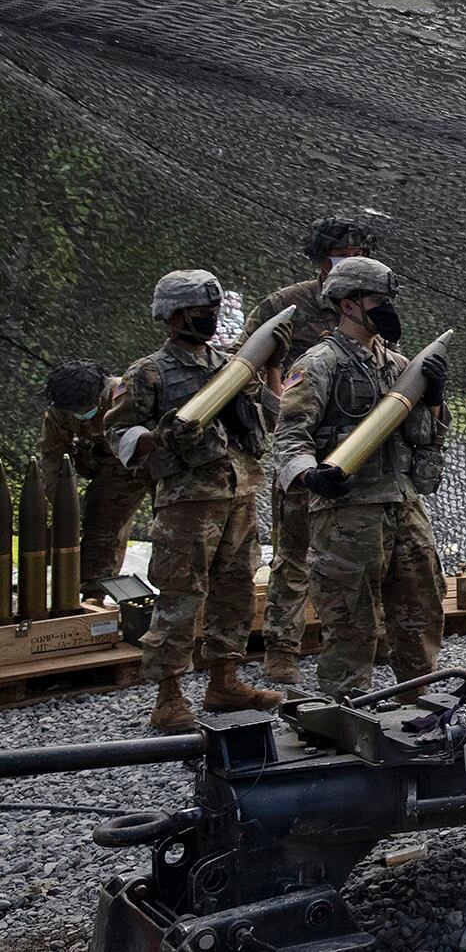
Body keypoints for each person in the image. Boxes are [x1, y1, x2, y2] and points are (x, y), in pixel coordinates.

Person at [106, 270, 289, 733]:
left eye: (212, 312)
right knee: (181, 597)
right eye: (199, 313)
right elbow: (118, 433)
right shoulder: (147, 373)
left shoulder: (231, 365)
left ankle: (223, 681)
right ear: (174, 317)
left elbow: (276, 411)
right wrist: (161, 436)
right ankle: (168, 697)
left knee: (236, 589)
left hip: (239, 493)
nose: (208, 320)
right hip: (187, 503)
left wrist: (271, 367)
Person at [270, 256, 448, 701]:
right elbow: (290, 436)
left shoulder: (399, 365)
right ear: (348, 304)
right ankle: (344, 715)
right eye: (378, 300)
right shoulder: (318, 364)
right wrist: (311, 476)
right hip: (348, 516)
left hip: (404, 508)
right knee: (350, 622)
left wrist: (436, 401)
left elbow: (425, 435)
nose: (387, 308)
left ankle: (420, 705)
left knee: (419, 613)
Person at [243, 217, 376, 684]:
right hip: (301, 443)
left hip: (353, 450)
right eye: (342, 251)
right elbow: (250, 366)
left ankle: (354, 643)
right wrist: (280, 405)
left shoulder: (367, 302)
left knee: (355, 549)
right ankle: (281, 648)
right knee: (294, 552)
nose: (351, 257)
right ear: (320, 258)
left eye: (358, 249)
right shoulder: (286, 305)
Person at [39, 358, 153, 594]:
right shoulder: (59, 411)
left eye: (87, 406)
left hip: (154, 459)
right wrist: (60, 505)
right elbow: (52, 458)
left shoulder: (126, 392)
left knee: (178, 524)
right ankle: (94, 593)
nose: (82, 414)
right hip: (114, 467)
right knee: (100, 526)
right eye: (76, 411)